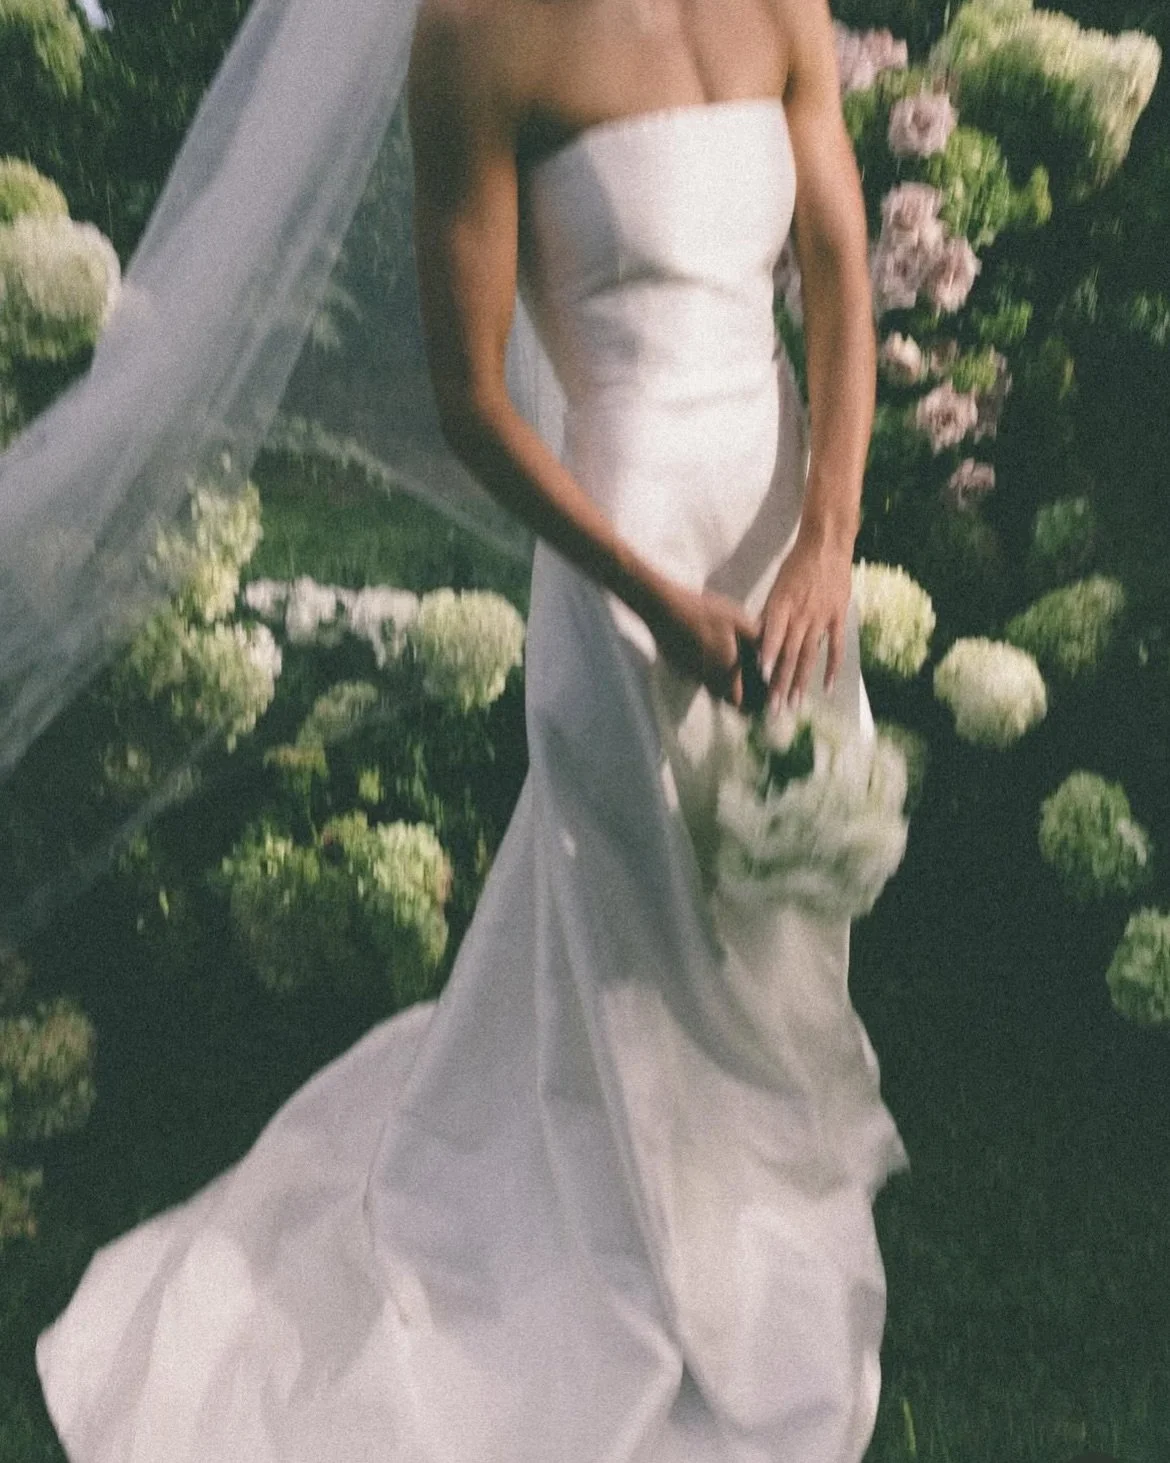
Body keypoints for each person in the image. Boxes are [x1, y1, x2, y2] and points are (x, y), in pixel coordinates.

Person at [34, 0, 908, 1458]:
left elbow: (832, 269)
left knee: (771, 916)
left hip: (777, 523)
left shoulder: (780, 7)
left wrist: (827, 531)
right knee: (636, 932)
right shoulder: (479, 31)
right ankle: (632, 1259)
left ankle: (751, 1212)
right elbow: (472, 397)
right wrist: (653, 596)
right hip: (623, 542)